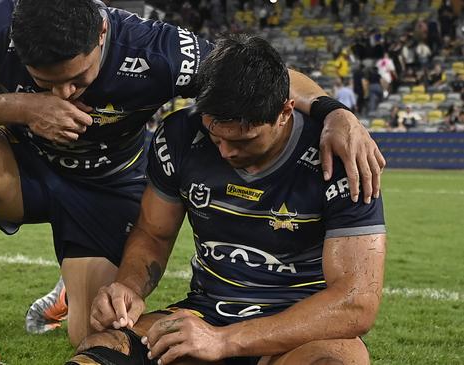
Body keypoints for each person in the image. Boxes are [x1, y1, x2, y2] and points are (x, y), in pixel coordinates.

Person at [0, 0, 385, 363]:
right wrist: (21, 106)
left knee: (93, 329)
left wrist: (334, 111)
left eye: (77, 80)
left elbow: (260, 72)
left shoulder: (159, 48)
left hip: (108, 187)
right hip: (24, 169)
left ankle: (72, 291)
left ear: (103, 34)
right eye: (46, 82)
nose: (64, 94)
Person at [68, 34, 386, 365]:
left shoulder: (341, 157)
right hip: (208, 311)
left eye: (245, 140)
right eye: (215, 136)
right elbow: (152, 233)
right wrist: (128, 288)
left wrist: (226, 341)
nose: (226, 151)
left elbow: (355, 301)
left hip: (299, 326)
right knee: (104, 347)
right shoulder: (181, 135)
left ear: (285, 111)